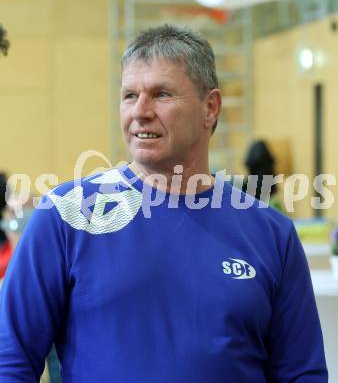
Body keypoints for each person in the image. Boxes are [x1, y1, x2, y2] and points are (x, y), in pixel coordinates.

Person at [0, 24, 327, 382]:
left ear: (210, 107)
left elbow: (301, 373)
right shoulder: (65, 216)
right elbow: (10, 360)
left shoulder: (271, 234)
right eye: (129, 96)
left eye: (161, 94)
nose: (140, 111)